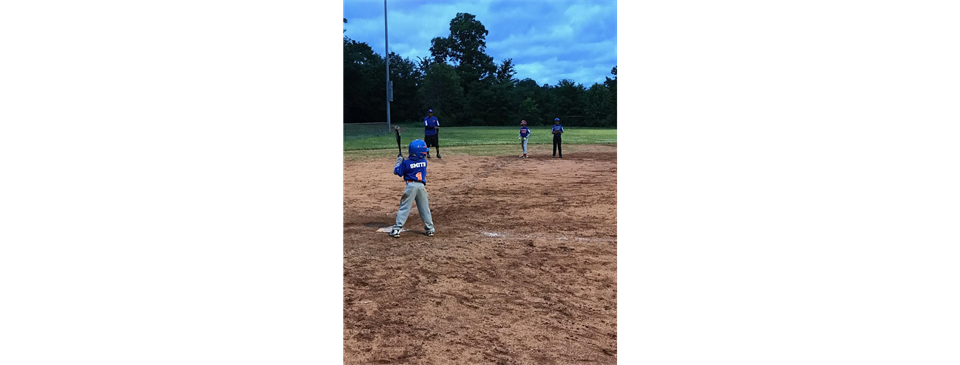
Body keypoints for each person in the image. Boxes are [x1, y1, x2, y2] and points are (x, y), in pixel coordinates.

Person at [390, 139, 435, 238]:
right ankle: (430, 229)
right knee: (424, 208)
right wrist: (404, 161)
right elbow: (412, 163)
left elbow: (397, 172)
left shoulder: (406, 163)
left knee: (404, 208)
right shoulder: (424, 162)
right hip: (421, 187)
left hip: (411, 187)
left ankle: (397, 229)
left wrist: (399, 161)